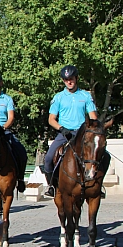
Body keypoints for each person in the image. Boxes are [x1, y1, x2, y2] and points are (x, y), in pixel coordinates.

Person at [44, 65, 98, 196]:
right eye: (66, 79)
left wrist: (93, 128)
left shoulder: (85, 96)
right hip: (65, 133)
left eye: (71, 79)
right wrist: (61, 129)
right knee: (48, 158)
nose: (69, 82)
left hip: (83, 133)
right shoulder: (58, 97)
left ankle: (98, 185)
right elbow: (51, 119)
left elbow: (93, 117)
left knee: (102, 155)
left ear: (76, 78)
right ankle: (51, 185)